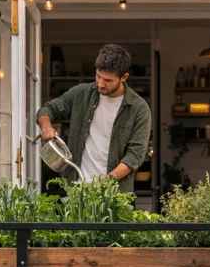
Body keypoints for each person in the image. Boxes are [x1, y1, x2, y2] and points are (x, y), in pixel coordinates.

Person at [36, 44, 151, 194]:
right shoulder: (81, 93)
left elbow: (134, 157)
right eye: (98, 76)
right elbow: (48, 109)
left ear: (124, 77)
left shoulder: (139, 109)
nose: (100, 84)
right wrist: (46, 126)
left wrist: (104, 182)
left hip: (115, 194)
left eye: (108, 80)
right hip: (75, 189)